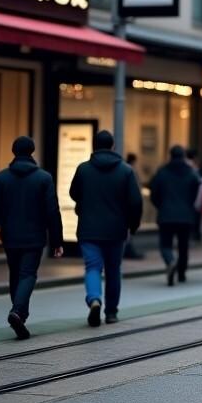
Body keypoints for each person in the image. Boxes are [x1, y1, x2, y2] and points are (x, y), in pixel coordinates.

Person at [0, 137, 64, 339]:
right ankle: (18, 312)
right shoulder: (44, 178)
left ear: (14, 152)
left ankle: (19, 312)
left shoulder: (2, 178)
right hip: (35, 236)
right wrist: (57, 241)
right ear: (32, 151)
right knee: (28, 274)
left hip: (10, 235)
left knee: (15, 274)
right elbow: (52, 211)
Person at [70, 130, 143, 326]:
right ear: (113, 147)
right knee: (113, 270)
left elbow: (73, 193)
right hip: (116, 230)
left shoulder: (83, 169)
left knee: (92, 267)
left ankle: (94, 299)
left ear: (94, 146)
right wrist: (133, 226)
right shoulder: (126, 170)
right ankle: (111, 312)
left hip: (88, 229)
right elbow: (136, 202)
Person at [149, 145, 201, 286]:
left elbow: (154, 193)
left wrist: (161, 206)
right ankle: (182, 273)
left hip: (166, 215)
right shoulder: (191, 172)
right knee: (183, 246)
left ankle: (170, 261)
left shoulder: (162, 172)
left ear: (170, 155)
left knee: (165, 244)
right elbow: (197, 192)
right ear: (183, 156)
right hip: (186, 216)